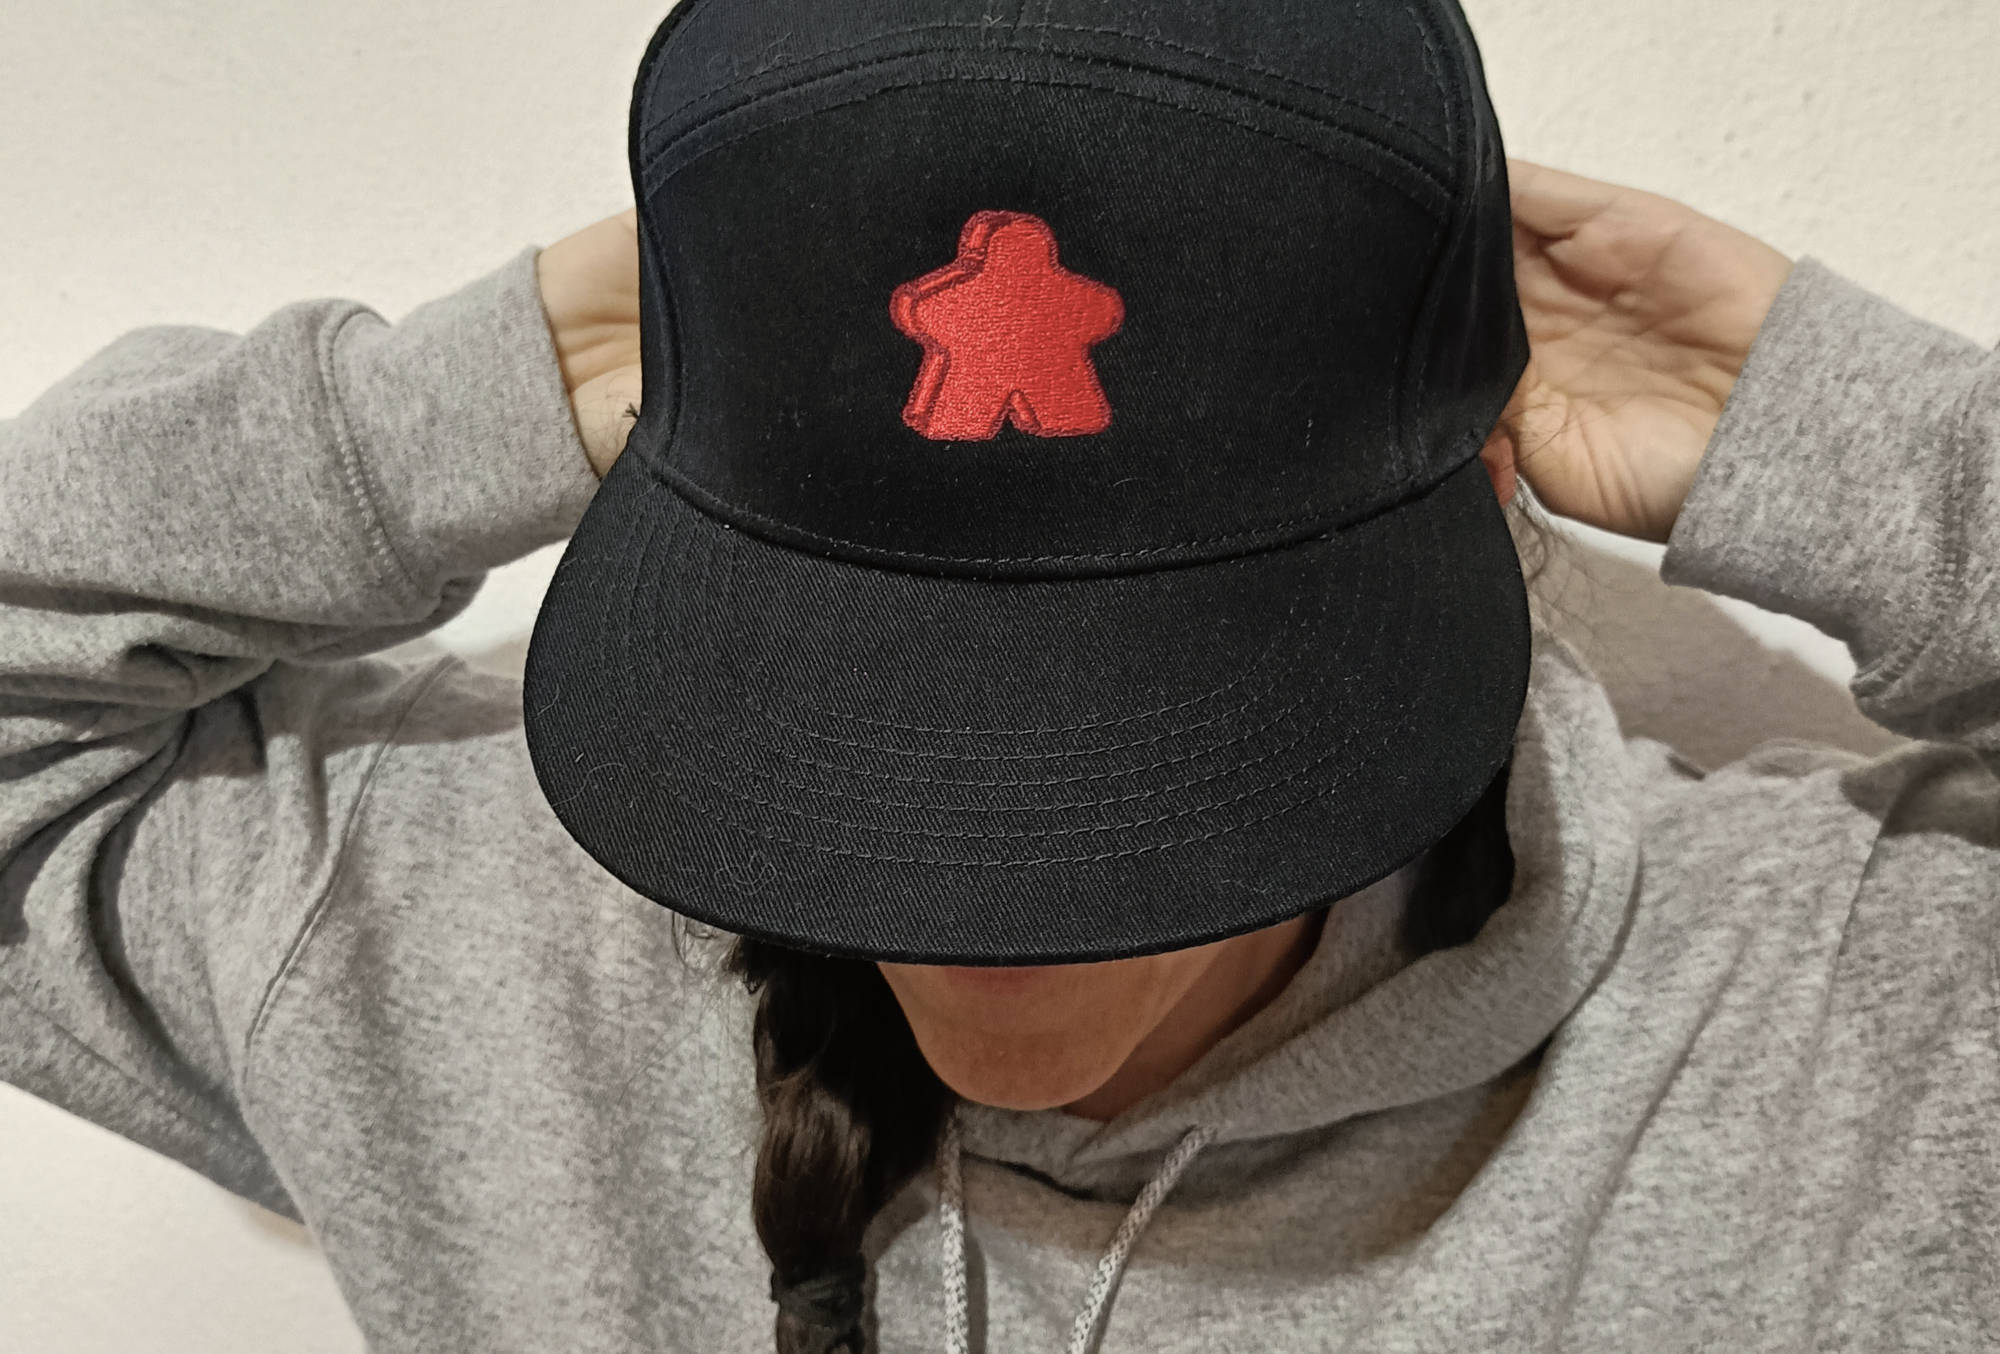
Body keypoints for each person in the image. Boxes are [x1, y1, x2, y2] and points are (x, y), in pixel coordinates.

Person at [3, 2, 1996, 1351]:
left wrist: (1846, 447)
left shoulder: (1843, 1042)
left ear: (1479, 487)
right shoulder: (450, 944)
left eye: (1152, 712)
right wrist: (518, 382)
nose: (986, 897)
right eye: (872, 702)